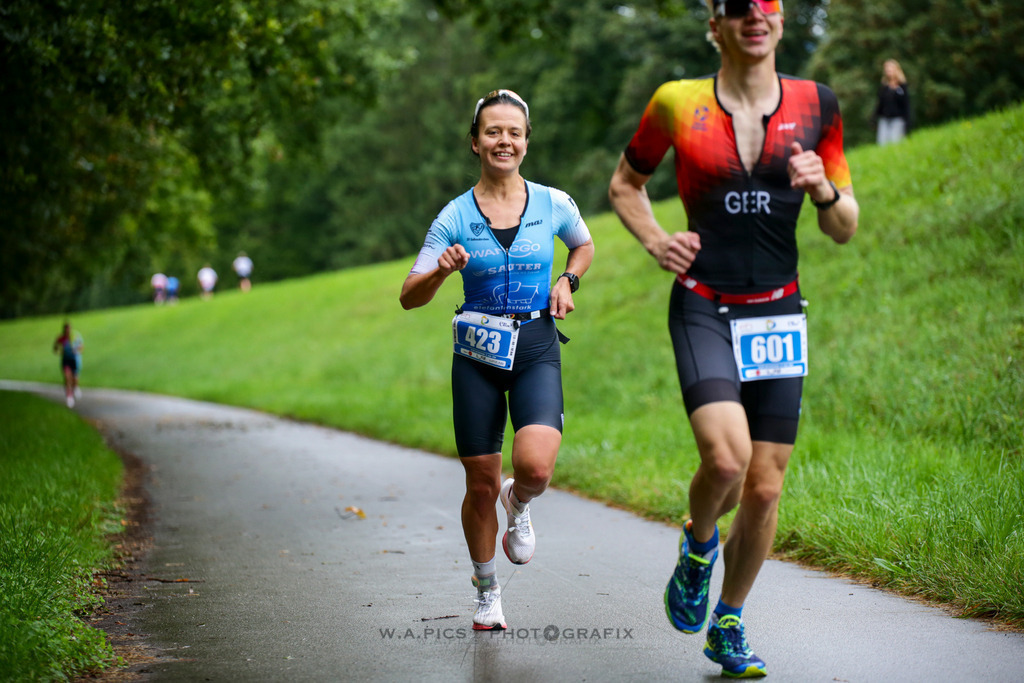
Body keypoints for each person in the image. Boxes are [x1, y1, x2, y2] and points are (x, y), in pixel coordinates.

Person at [607, 0, 859, 677]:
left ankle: (729, 620)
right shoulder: (677, 103)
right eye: (737, 8)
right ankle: (697, 547)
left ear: (779, 21)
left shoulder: (817, 104)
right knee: (726, 462)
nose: (756, 17)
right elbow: (625, 183)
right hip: (705, 304)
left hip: (778, 313)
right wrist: (657, 239)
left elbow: (846, 225)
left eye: (767, 7)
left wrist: (825, 193)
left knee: (767, 488)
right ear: (713, 26)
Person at [400, 89, 594, 632]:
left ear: (526, 142)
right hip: (478, 357)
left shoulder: (553, 201)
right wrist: (441, 271)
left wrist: (567, 279)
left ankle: (521, 502)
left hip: (535, 346)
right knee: (479, 485)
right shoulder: (454, 216)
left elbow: (584, 245)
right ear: (475, 142)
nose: (503, 140)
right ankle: (487, 591)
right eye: (493, 131)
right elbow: (409, 294)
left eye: (514, 132)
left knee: (535, 467)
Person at [875, 58, 910, 145]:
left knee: (895, 143)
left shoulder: (902, 86)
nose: (888, 71)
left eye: (890, 69)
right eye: (886, 69)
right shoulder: (884, 87)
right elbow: (880, 103)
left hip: (898, 119)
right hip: (884, 118)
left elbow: (906, 104)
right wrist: (874, 117)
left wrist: (908, 121)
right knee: (882, 144)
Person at [52, 322, 82, 407]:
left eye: (69, 329)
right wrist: (59, 351)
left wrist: (77, 350)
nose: (68, 331)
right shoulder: (62, 338)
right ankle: (69, 396)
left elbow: (81, 347)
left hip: (73, 359)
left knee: (74, 378)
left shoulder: (74, 337)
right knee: (67, 377)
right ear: (64, 330)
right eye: (67, 329)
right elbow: (55, 348)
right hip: (65, 360)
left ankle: (75, 388)